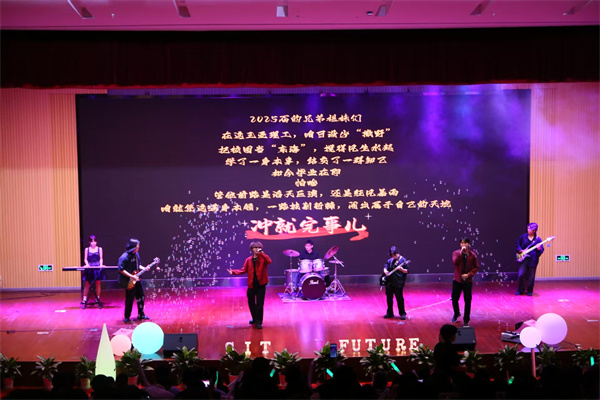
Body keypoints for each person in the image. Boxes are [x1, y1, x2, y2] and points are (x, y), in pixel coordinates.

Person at [228, 241, 271, 329]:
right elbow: (243, 270)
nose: (257, 249)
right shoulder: (248, 260)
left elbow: (269, 261)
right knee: (251, 303)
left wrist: (262, 253)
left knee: (260, 304)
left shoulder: (263, 258)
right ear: (252, 249)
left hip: (261, 284)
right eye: (255, 247)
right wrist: (233, 272)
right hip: (251, 285)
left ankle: (259, 322)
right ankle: (254, 319)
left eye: (259, 247)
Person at [118, 238, 150, 323]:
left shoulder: (136, 255)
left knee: (141, 297)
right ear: (133, 247)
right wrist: (132, 277)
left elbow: (138, 266)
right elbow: (121, 269)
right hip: (129, 281)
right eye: (137, 245)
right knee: (130, 298)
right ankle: (127, 316)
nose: (138, 247)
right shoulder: (124, 257)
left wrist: (145, 268)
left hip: (137, 279)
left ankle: (141, 314)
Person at [451, 237, 479, 326]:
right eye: (462, 243)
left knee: (467, 300)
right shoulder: (456, 253)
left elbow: (476, 267)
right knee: (454, 298)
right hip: (457, 280)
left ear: (468, 244)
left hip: (468, 281)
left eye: (465, 243)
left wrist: (469, 274)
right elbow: (455, 262)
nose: (464, 245)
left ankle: (466, 319)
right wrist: (460, 253)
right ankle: (456, 313)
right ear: (460, 244)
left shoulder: (472, 255)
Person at [515, 222, 544, 296]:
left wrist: (539, 249)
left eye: (529, 229)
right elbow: (517, 244)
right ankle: (520, 290)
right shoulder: (523, 237)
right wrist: (520, 250)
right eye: (528, 228)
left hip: (533, 260)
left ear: (534, 230)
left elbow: (541, 251)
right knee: (521, 274)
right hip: (524, 259)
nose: (528, 230)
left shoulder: (538, 239)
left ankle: (530, 291)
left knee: (531, 276)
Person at [382, 246, 409, 320]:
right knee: (389, 298)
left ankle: (402, 313)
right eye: (392, 255)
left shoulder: (403, 260)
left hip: (398, 282)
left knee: (399, 298)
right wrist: (385, 271)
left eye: (394, 255)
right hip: (389, 282)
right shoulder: (390, 260)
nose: (393, 257)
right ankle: (390, 313)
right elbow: (385, 267)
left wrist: (402, 269)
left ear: (397, 253)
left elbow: (407, 271)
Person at [81, 235, 106, 309]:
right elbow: (85, 259)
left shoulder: (99, 249)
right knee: (87, 283)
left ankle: (97, 299)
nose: (93, 243)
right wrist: (87, 264)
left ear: (96, 242)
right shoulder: (87, 249)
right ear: (89, 242)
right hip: (89, 267)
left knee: (98, 283)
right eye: (92, 242)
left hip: (97, 267)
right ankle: (84, 299)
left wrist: (101, 265)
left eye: (94, 241)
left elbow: (101, 258)